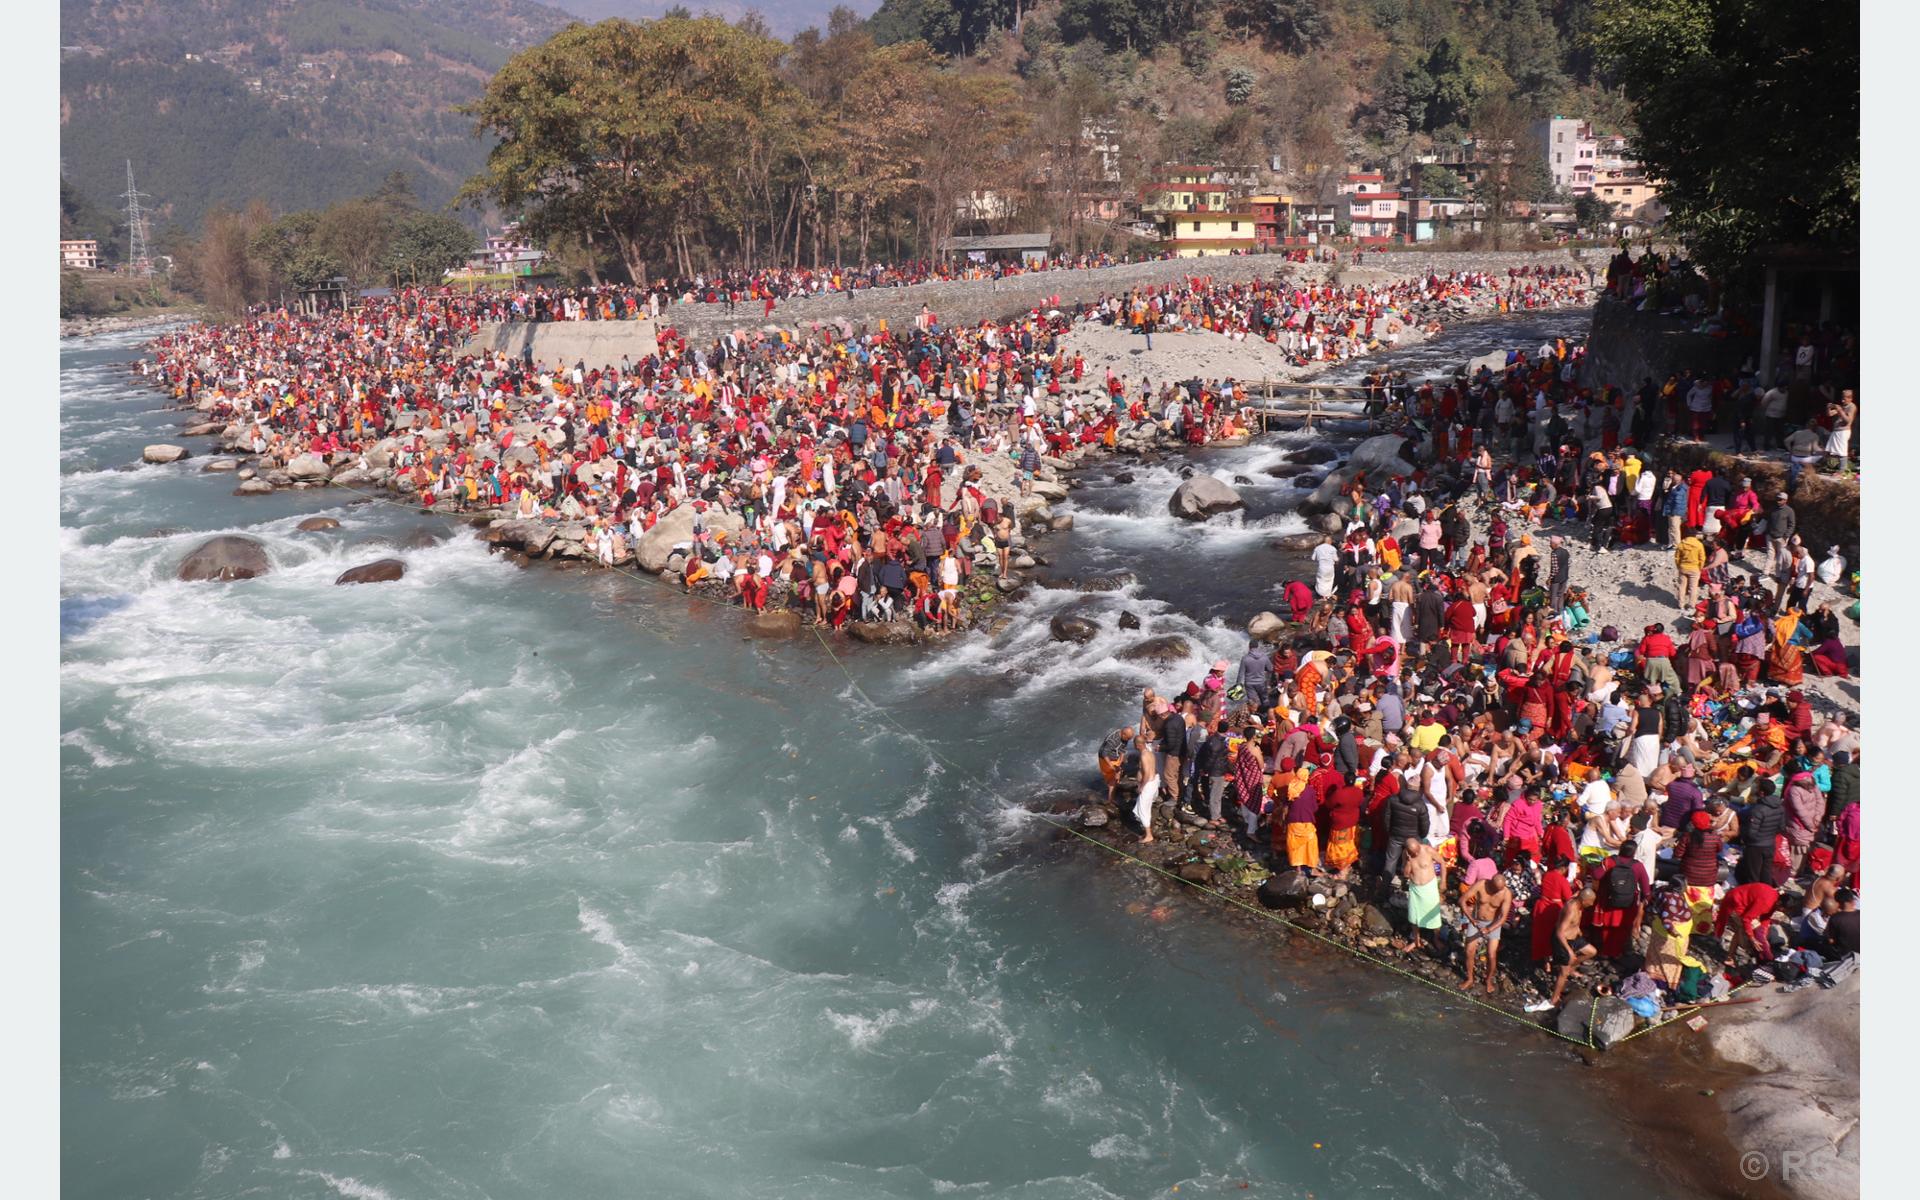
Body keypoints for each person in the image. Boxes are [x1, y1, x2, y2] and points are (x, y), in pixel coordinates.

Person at [1459, 873, 1513, 995]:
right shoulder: (1481, 885)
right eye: (1494, 889)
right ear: (1490, 882)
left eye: (1498, 890)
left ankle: (1488, 980)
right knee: (1469, 951)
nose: (1495, 892)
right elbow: (1462, 900)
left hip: (1493, 924)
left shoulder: (1506, 893)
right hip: (1476, 921)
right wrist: (1471, 919)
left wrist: (1489, 929)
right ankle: (1470, 978)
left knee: (1491, 954)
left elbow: (1503, 918)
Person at [1548, 888, 1599, 1007]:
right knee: (1563, 973)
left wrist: (1578, 930)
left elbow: (1580, 892)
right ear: (1583, 900)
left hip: (1574, 937)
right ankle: (1554, 999)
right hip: (1562, 940)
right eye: (1590, 902)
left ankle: (1571, 968)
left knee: (1592, 951)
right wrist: (1570, 952)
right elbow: (1559, 932)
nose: (1591, 904)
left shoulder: (1579, 901)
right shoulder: (1571, 909)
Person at [1396, 838, 1444, 956]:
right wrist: (1408, 861)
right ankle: (1416, 940)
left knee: (1434, 914)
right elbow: (1406, 874)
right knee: (1414, 915)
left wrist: (1443, 881)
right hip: (1416, 888)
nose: (1416, 854)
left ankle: (1436, 938)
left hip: (1430, 886)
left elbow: (1442, 863)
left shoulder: (1428, 850)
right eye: (1413, 852)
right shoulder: (1406, 855)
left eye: (1417, 851)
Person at [1097, 726, 1135, 806]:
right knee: (1113, 778)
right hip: (1106, 759)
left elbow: (1122, 749)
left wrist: (1120, 761)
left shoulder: (1124, 737)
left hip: (1115, 756)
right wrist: (1111, 766)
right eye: (1128, 738)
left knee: (1116, 776)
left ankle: (1112, 796)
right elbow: (1104, 753)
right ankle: (1110, 799)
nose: (1128, 740)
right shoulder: (1112, 740)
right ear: (1123, 734)